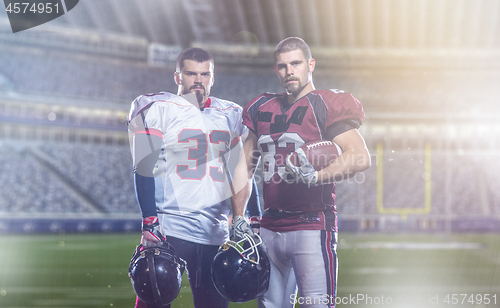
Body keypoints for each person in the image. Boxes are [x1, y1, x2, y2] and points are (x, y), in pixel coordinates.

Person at [230, 37, 371, 308]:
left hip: (311, 225)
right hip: (269, 228)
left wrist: (317, 176)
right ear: (276, 70)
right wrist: (238, 217)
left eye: (296, 63)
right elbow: (244, 165)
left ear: (310, 65)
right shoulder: (261, 106)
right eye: (282, 66)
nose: (289, 71)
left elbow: (359, 156)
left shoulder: (326, 103)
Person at [127, 47, 261, 308]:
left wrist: (252, 217)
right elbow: (144, 167)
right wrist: (149, 221)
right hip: (169, 230)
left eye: (205, 74)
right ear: (178, 77)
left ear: (213, 77)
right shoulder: (158, 106)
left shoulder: (231, 113)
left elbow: (241, 172)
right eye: (191, 73)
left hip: (215, 233)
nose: (198, 79)